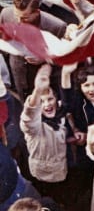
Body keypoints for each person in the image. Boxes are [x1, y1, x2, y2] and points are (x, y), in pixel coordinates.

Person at [19, 65, 69, 202]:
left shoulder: (62, 117)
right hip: (43, 177)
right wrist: (37, 91)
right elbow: (29, 116)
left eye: (50, 99)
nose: (46, 104)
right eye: (41, 102)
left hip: (63, 172)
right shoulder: (34, 126)